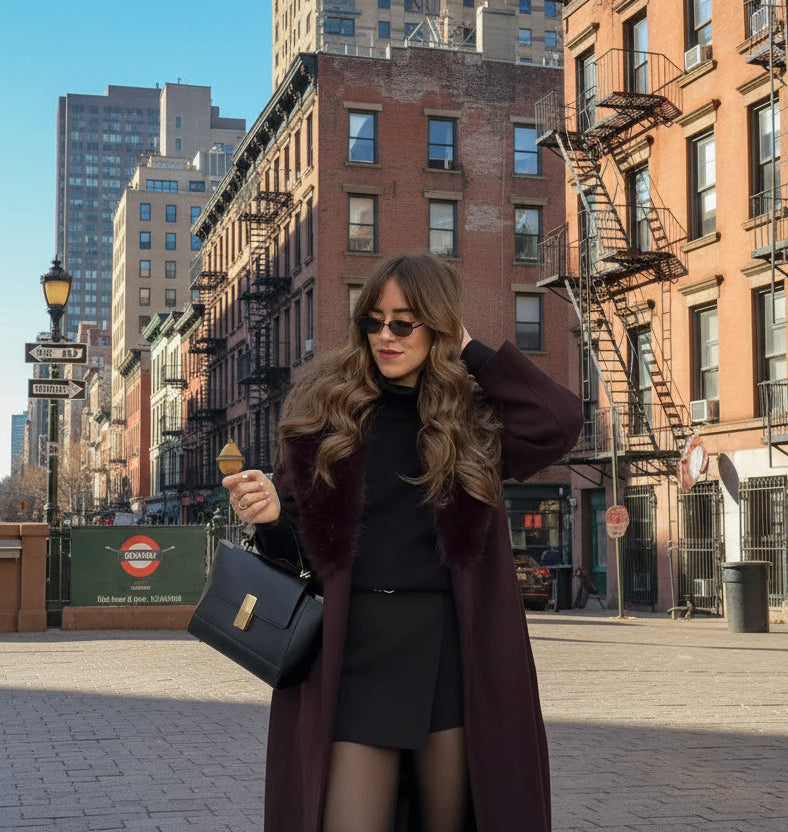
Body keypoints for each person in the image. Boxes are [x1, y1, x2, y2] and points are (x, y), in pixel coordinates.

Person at [222, 252, 583, 832]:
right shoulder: (323, 418)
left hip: (452, 651)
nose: (384, 336)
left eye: (404, 322)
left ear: (437, 326)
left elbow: (559, 421)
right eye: (373, 320)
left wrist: (469, 348)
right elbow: (298, 551)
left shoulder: (473, 422)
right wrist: (268, 517)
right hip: (352, 648)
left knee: (457, 818)